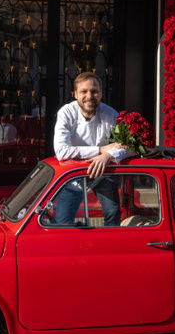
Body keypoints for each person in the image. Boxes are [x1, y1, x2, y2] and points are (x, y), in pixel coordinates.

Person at [52, 72, 126, 225]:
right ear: (75, 94)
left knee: (113, 214)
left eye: (94, 91)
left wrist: (107, 156)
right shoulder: (66, 113)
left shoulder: (111, 114)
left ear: (100, 93)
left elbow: (125, 146)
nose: (89, 96)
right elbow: (61, 151)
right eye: (84, 91)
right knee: (62, 221)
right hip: (72, 176)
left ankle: (109, 246)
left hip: (102, 171)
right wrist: (101, 150)